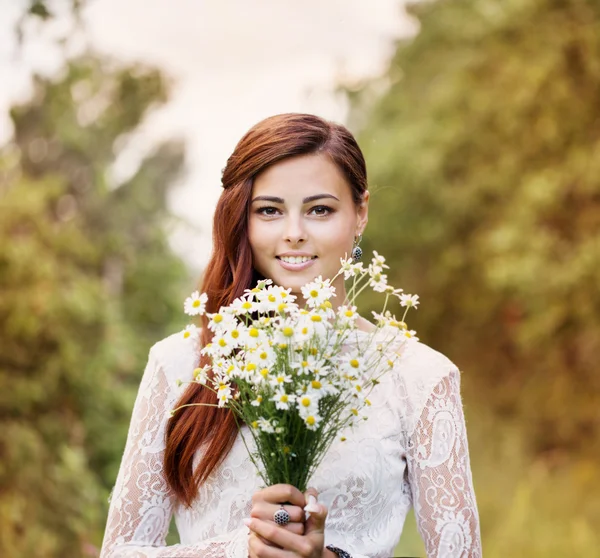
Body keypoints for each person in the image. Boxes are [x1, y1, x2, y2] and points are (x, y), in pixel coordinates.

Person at [99, 113, 482, 557]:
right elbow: (120, 552)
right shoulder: (181, 363)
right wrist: (241, 551)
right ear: (242, 219)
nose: (294, 234)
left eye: (320, 209)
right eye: (270, 211)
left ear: (360, 213)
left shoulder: (420, 378)